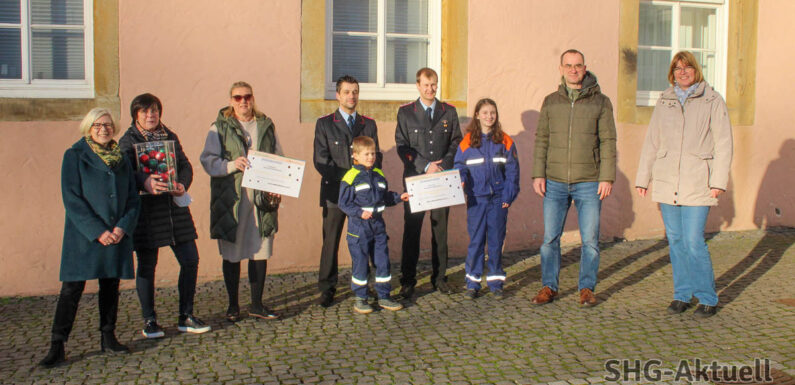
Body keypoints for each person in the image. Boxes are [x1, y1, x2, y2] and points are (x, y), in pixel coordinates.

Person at [40, 108, 140, 367]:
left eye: (107, 125)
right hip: (85, 236)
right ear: (88, 128)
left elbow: (132, 198)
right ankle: (57, 344)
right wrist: (98, 231)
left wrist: (122, 227)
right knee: (71, 289)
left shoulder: (121, 158)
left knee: (110, 286)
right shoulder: (74, 155)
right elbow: (72, 199)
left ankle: (108, 337)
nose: (103, 129)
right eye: (97, 125)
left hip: (116, 234)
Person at [635, 51, 732, 318]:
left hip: (698, 180)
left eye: (687, 67)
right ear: (672, 73)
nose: (683, 72)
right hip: (667, 180)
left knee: (693, 241)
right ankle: (682, 295)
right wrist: (643, 178)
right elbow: (652, 141)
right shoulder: (664, 100)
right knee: (676, 240)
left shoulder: (712, 100)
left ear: (696, 70)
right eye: (678, 68)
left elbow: (724, 143)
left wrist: (718, 181)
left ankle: (707, 297)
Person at [119, 93, 211, 338]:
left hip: (174, 209)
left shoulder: (170, 136)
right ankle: (150, 320)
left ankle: (186, 315)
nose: (151, 115)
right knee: (147, 266)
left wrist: (182, 184)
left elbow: (185, 165)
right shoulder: (128, 141)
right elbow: (124, 173)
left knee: (190, 260)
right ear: (136, 115)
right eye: (145, 111)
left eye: (154, 110)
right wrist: (144, 181)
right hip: (146, 212)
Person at [531, 49, 617, 307]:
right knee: (550, 239)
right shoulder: (551, 102)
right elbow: (542, 139)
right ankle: (549, 286)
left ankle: (587, 288)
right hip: (554, 181)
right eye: (568, 65)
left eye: (577, 65)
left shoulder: (601, 102)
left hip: (589, 181)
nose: (573, 69)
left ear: (584, 68)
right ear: (561, 69)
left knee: (590, 240)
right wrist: (538, 174)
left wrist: (607, 177)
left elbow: (608, 141)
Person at [200, 81, 282, 321]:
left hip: (260, 199)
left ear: (253, 98)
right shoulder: (219, 127)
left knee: (260, 250)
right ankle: (233, 305)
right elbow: (208, 160)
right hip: (233, 199)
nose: (243, 101)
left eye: (247, 96)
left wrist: (278, 186)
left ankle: (257, 304)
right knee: (232, 252)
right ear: (231, 101)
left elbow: (278, 157)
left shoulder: (266, 125)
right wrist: (231, 165)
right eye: (238, 97)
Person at [313, 75, 382, 307]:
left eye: (355, 92)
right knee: (330, 242)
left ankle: (362, 285)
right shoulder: (325, 124)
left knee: (363, 241)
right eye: (346, 92)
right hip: (335, 194)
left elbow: (376, 156)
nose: (351, 96)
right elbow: (321, 161)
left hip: (363, 196)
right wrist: (350, 180)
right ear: (338, 95)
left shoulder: (368, 124)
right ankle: (327, 288)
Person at [395, 67, 463, 298]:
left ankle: (440, 278)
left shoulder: (448, 112)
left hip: (442, 178)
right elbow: (402, 146)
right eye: (426, 85)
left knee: (440, 231)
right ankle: (408, 280)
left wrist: (444, 164)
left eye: (433, 84)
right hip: (417, 179)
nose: (430, 89)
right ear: (418, 85)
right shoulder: (406, 113)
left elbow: (456, 141)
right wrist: (425, 165)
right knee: (412, 231)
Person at [453, 99, 520, 300]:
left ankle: (496, 282)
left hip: (498, 200)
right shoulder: (467, 142)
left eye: (492, 113)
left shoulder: (505, 141)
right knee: (476, 241)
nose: (489, 116)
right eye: (485, 112)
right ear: (477, 115)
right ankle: (472, 283)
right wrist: (461, 179)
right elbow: (459, 166)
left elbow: (513, 172)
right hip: (476, 199)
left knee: (496, 242)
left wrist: (508, 196)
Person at [338, 136, 410, 313]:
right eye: (366, 154)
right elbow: (344, 203)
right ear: (355, 155)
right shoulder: (350, 177)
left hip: (378, 226)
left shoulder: (379, 174)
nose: (371, 157)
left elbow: (385, 197)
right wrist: (359, 212)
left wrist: (399, 197)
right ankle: (361, 298)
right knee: (361, 263)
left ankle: (384, 296)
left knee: (382, 262)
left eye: (373, 153)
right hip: (359, 228)